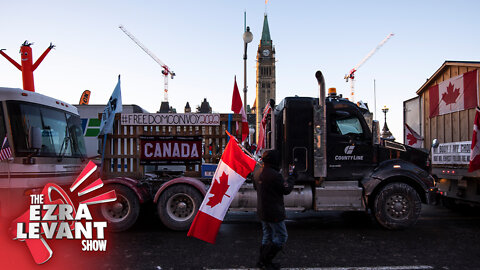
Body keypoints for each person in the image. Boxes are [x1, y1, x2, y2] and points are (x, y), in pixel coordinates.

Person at [253, 150, 296, 269]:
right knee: (282, 236)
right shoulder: (275, 175)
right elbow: (286, 189)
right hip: (274, 211)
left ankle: (262, 262)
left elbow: (256, 187)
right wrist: (292, 177)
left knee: (267, 235)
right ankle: (265, 260)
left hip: (262, 210)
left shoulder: (257, 172)